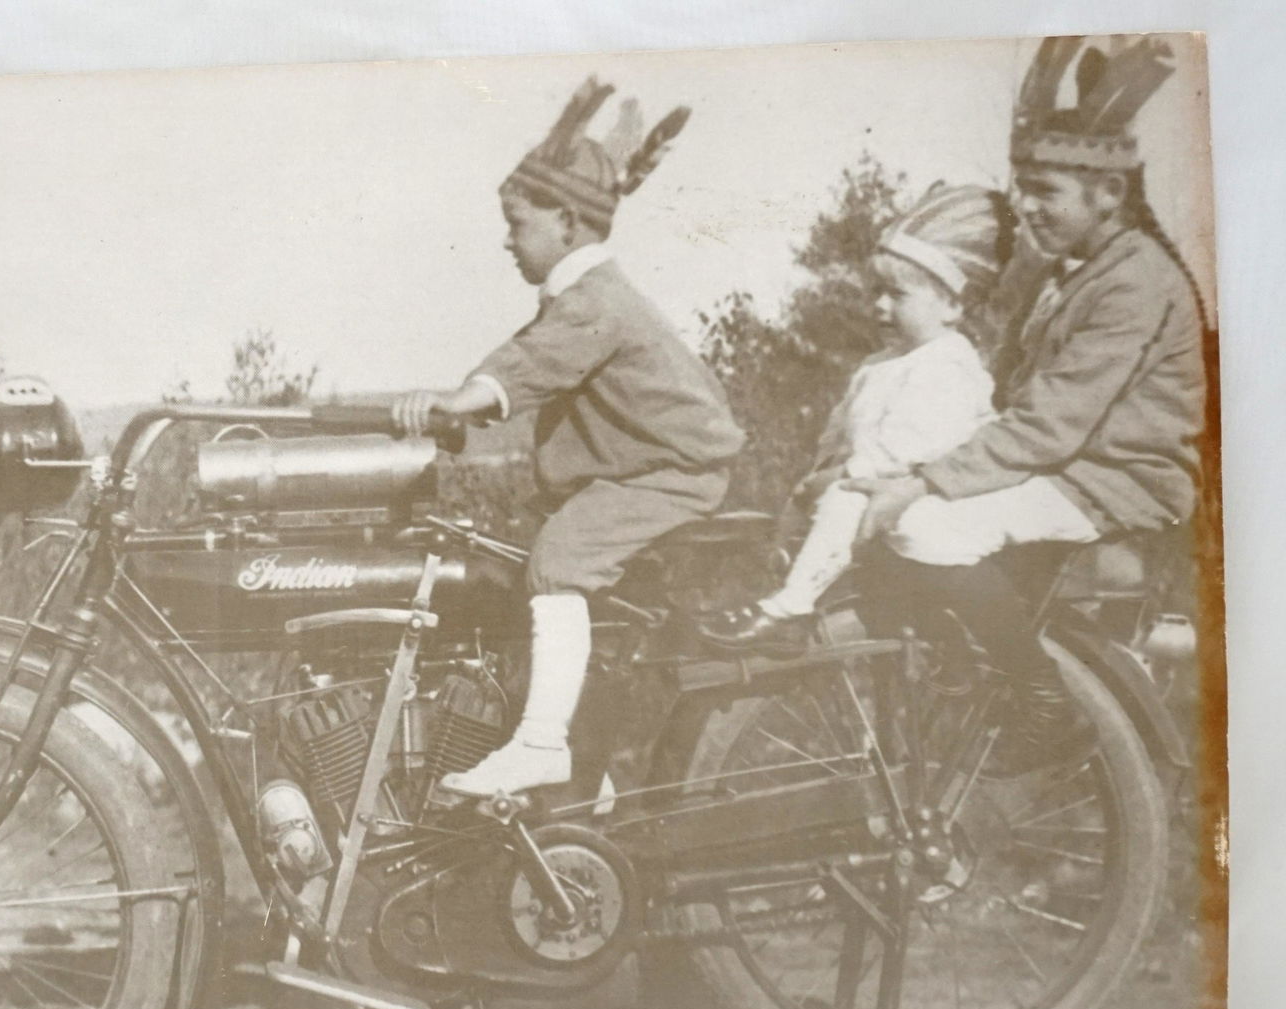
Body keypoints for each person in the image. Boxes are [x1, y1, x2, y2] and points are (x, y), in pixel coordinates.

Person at [842, 36, 1208, 762]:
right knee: (902, 524)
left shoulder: (1135, 281)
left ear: (1110, 193)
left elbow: (1049, 424)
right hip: (1070, 472)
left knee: (926, 528)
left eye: (1047, 193)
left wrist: (924, 480)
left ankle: (1042, 695)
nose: (1028, 209)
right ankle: (968, 670)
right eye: (1023, 189)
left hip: (1116, 484)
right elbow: (1017, 404)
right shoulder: (1071, 276)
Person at [392, 78, 745, 798]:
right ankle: (586, 771)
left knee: (559, 557)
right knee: (506, 562)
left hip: (677, 472)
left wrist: (455, 401)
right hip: (643, 469)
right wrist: (462, 410)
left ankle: (543, 745)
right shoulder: (578, 299)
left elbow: (532, 363)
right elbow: (533, 359)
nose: (506, 239)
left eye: (518, 223)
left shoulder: (595, 300)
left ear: (566, 221)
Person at [702, 184, 1009, 655]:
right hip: (879, 490)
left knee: (846, 501)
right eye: (877, 293)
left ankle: (791, 609)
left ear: (952, 305)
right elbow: (841, 431)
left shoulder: (948, 364)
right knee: (813, 505)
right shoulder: (880, 364)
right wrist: (818, 475)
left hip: (938, 498)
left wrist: (844, 475)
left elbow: (908, 447)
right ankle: (783, 582)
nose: (880, 307)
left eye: (898, 295)